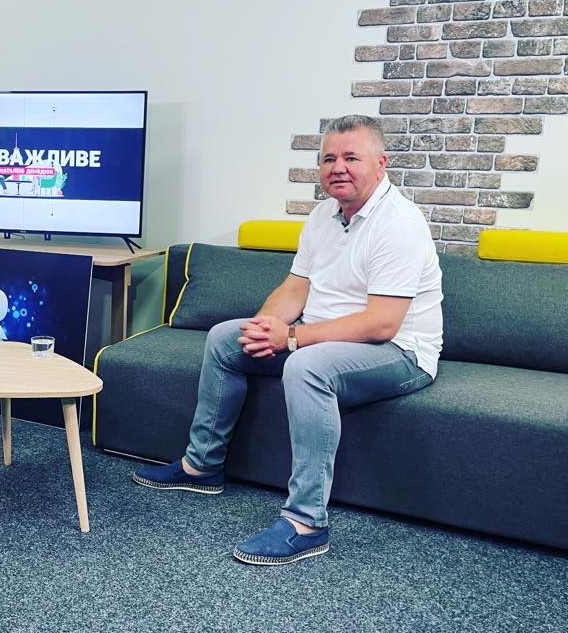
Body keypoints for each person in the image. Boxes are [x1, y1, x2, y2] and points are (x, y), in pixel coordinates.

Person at [132, 114, 442, 565]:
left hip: (399, 352)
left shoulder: (399, 224)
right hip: (330, 339)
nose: (338, 167)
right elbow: (296, 287)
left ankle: (306, 523)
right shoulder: (322, 215)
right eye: (329, 159)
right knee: (227, 338)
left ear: (381, 164)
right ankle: (202, 466)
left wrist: (292, 337)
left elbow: (382, 324)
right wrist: (264, 328)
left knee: (306, 366)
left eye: (351, 157)